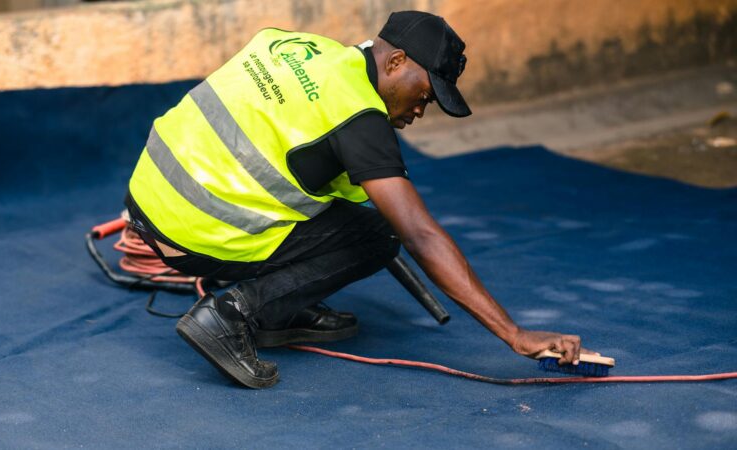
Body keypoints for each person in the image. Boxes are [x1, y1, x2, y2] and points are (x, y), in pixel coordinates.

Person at [125, 11, 595, 389]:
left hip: (149, 195)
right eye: (425, 95)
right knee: (382, 233)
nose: (419, 111)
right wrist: (514, 334)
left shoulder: (300, 47)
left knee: (348, 213)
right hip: (194, 234)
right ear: (395, 63)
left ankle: (280, 309)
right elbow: (421, 235)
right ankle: (231, 315)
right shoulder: (357, 117)